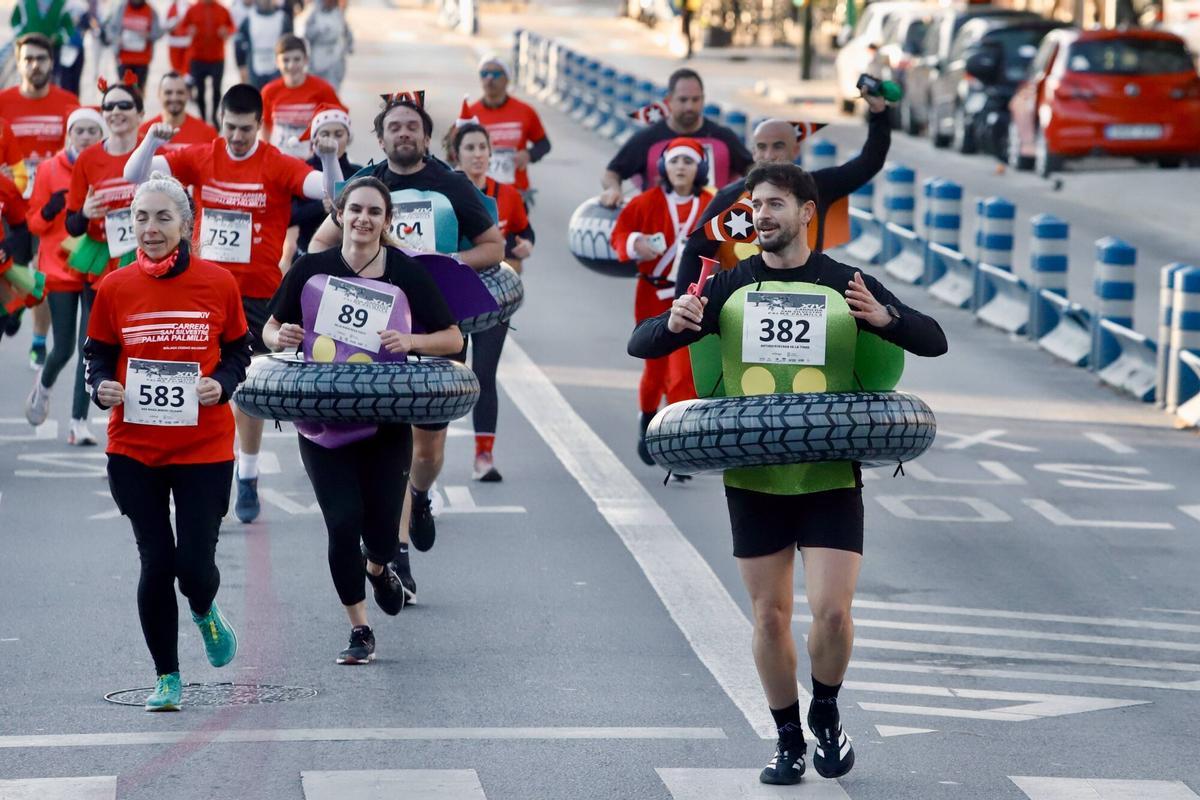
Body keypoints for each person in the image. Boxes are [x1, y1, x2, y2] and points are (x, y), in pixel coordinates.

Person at [629, 163, 947, 786]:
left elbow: (933, 339)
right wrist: (672, 324)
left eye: (776, 204)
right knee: (770, 618)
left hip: (829, 476)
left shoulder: (845, 284)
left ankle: (825, 712)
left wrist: (885, 320)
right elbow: (641, 344)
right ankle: (786, 737)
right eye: (756, 205)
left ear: (808, 212)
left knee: (831, 614)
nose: (763, 215)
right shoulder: (727, 285)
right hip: (754, 481)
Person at [308, 91, 504, 589]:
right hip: (376, 332)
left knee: (428, 450)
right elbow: (319, 245)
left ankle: (419, 496)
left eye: (412, 126)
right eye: (394, 126)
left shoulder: (452, 185)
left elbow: (493, 246)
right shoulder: (367, 186)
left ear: (425, 135)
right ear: (380, 136)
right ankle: (395, 554)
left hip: (435, 326)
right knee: (392, 440)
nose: (403, 133)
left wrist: (441, 269)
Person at [264, 176, 463, 664]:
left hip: (384, 421)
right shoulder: (311, 268)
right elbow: (268, 328)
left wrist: (412, 343)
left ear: (386, 220)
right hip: (321, 422)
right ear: (340, 215)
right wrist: (281, 336)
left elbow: (453, 338)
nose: (363, 219)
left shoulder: (404, 273)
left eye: (374, 212)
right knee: (340, 523)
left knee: (377, 533)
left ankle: (378, 568)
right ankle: (360, 628)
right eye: (355, 210)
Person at [124, 83, 343, 525]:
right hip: (204, 290)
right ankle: (191, 467)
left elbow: (332, 192)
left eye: (245, 129)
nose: (237, 137)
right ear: (221, 123)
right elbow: (135, 175)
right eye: (230, 128)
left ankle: (247, 471)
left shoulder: (277, 164)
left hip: (260, 293)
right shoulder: (204, 155)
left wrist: (328, 156)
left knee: (248, 389)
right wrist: (149, 140)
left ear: (259, 126)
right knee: (198, 380)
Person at [85, 173, 249, 711]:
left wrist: (220, 384)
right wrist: (101, 387)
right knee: (156, 560)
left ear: (184, 224)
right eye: (141, 217)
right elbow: (99, 356)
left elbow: (238, 354)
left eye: (162, 218)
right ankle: (167, 678)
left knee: (194, 568)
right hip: (134, 448)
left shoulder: (218, 283)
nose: (150, 229)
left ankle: (204, 609)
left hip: (204, 448)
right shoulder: (113, 286)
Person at [675, 90, 892, 296]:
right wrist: (682, 309)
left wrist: (879, 113)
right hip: (740, 305)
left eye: (778, 146)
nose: (769, 155)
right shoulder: (728, 197)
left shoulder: (817, 186)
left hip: (806, 298)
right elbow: (694, 250)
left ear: (795, 150)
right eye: (761, 147)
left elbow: (869, 162)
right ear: (753, 152)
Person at [612, 137, 712, 466]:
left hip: (693, 298)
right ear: (663, 167)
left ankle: (679, 440)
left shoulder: (713, 204)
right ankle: (647, 420)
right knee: (654, 368)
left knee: (684, 372)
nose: (681, 167)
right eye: (675, 161)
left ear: (701, 167)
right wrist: (634, 243)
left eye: (688, 161)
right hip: (652, 295)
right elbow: (620, 235)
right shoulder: (645, 202)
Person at [447, 119, 535, 482]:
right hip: (451, 294)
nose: (478, 155)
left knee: (484, 374)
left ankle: (484, 456)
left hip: (493, 295)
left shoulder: (508, 194)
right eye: (470, 148)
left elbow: (523, 232)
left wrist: (526, 246)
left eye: (483, 148)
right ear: (456, 155)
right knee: (448, 376)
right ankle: (425, 461)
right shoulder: (445, 192)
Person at [23, 107, 105, 445]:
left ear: (100, 136)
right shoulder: (48, 170)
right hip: (58, 268)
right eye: (79, 130)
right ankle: (44, 386)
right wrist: (52, 207)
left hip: (94, 265)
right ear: (69, 134)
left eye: (91, 130)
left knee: (89, 349)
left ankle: (78, 422)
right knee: (64, 349)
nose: (85, 136)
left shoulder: (103, 167)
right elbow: (34, 225)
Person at [0, 34, 79, 370]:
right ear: (18, 64)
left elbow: (79, 146)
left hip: (50, 205)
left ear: (51, 62)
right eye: (28, 58)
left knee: (43, 274)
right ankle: (13, 308)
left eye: (41, 58)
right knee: (12, 272)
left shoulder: (67, 102)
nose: (35, 65)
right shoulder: (4, 102)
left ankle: (37, 339)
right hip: (11, 205)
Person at [599, 68, 752, 208]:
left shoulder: (723, 137)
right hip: (659, 226)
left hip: (711, 227)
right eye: (683, 100)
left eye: (695, 99)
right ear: (669, 100)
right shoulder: (648, 139)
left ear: (703, 99)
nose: (690, 107)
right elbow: (612, 173)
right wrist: (613, 190)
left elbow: (751, 169)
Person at [62, 74, 144, 285]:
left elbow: (181, 208)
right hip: (101, 255)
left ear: (140, 113)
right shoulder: (88, 158)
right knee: (96, 318)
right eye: (109, 107)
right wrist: (85, 213)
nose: (116, 111)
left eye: (124, 105)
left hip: (147, 254)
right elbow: (72, 226)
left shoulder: (154, 150)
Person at [465, 55, 550, 204]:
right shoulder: (470, 114)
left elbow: (544, 144)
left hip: (516, 192)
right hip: (480, 192)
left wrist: (529, 154)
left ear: (507, 78)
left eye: (496, 74)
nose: (489, 78)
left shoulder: (525, 111)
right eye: (484, 74)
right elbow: (453, 151)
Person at [289, 103, 360, 258]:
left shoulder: (359, 173)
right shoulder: (302, 170)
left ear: (348, 137)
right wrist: (320, 206)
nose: (332, 141)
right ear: (314, 140)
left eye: (338, 134)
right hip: (306, 255)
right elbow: (288, 216)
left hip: (346, 259)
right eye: (325, 134)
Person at [260, 34, 341, 160]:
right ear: (277, 62)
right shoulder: (269, 91)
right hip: (279, 160)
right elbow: (265, 124)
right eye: (285, 60)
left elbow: (339, 122)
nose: (291, 66)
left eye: (297, 59)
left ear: (306, 60)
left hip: (311, 162)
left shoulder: (322, 89)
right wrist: (266, 152)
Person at [180, 0, 235, 126]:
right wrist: (189, 30)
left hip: (217, 58)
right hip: (197, 58)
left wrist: (226, 31)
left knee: (216, 88)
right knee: (200, 90)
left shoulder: (222, 9)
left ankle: (214, 116)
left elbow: (232, 27)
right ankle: (203, 118)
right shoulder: (193, 9)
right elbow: (182, 27)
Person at [138, 72, 219, 152]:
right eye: (168, 93)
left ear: (187, 94)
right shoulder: (143, 132)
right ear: (159, 94)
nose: (174, 98)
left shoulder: (208, 134)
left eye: (180, 93)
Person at [104, 0, 164, 90]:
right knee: (123, 89)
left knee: (138, 91)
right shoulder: (121, 8)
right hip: (124, 59)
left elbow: (159, 32)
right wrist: (117, 39)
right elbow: (110, 29)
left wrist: (149, 35)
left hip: (142, 59)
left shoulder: (150, 10)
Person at [237, 0, 292, 89]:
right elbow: (239, 44)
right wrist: (241, 66)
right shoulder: (249, 18)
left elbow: (290, 43)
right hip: (254, 67)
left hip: (277, 66)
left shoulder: (283, 18)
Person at [302, 0, 352, 91]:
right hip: (318, 55)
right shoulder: (315, 14)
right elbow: (307, 33)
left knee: (333, 89)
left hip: (335, 56)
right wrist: (319, 30)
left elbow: (346, 31)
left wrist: (349, 46)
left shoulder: (338, 14)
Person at [164, 0, 194, 76]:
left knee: (187, 69)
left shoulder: (189, 5)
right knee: (176, 70)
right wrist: (174, 21)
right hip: (174, 42)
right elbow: (164, 25)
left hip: (187, 42)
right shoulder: (169, 6)